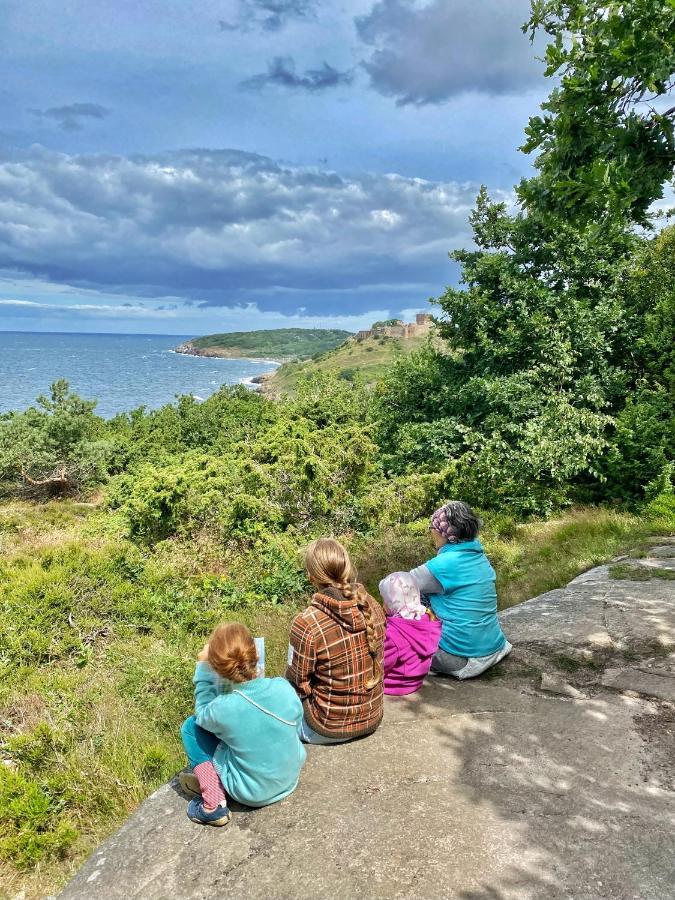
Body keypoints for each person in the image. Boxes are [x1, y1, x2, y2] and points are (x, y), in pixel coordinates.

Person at [179, 622, 306, 826]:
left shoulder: (223, 709)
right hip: (290, 778)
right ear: (255, 653)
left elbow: (201, 715)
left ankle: (213, 803)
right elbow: (295, 720)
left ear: (216, 666)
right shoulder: (283, 687)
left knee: (190, 728)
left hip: (249, 792)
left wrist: (202, 669)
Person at [286, 538, 386, 744]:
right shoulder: (372, 605)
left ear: (311, 576)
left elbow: (297, 686)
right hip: (372, 717)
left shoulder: (306, 623)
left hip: (325, 727)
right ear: (347, 568)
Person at [410, 501, 512, 679]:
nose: (431, 533)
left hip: (461, 658)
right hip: (495, 648)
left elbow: (393, 587)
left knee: (401, 624)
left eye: (431, 528)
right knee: (426, 595)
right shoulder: (479, 557)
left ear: (444, 533)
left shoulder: (442, 565)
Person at [380, 571, 442, 696]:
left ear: (393, 603)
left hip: (394, 684)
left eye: (385, 600)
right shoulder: (427, 620)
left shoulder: (394, 633)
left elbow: (382, 665)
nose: (383, 604)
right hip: (415, 681)